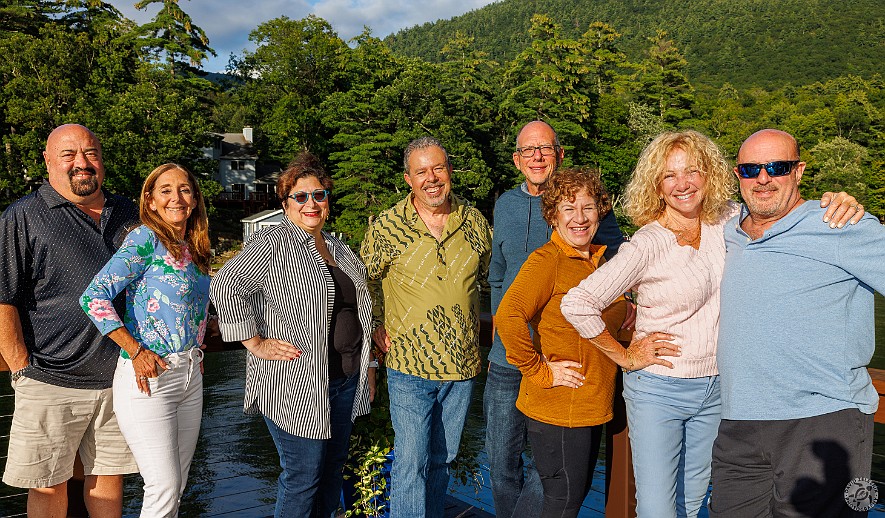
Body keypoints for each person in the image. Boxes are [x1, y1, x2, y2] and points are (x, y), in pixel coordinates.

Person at [561, 130, 864, 518]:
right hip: (659, 389)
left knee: (691, 502)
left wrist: (835, 202)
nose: (682, 184)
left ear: (709, 175)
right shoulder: (648, 243)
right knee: (657, 510)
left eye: (692, 171)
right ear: (657, 185)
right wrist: (624, 356)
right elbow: (579, 303)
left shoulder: (730, 221)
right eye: (669, 175)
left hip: (719, 389)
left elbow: (782, 210)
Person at [710, 129, 885, 517]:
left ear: (799, 171)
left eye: (777, 167)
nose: (763, 178)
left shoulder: (840, 224)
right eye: (750, 168)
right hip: (738, 422)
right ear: (737, 174)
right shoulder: (727, 230)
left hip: (825, 421)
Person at [211, 152, 375, 518]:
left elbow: (360, 311)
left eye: (319, 195)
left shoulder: (339, 249)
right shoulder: (273, 244)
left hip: (345, 381)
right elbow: (225, 285)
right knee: (303, 478)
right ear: (285, 204)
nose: (311, 204)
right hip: (297, 386)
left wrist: (370, 367)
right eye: (300, 197)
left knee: (331, 475)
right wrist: (254, 342)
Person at [485, 120, 626, 518]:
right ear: (517, 160)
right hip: (509, 355)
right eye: (528, 150)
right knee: (502, 463)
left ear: (560, 154)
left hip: (562, 357)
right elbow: (498, 274)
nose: (537, 157)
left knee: (550, 475)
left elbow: (619, 267)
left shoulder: (592, 214)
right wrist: (514, 334)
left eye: (545, 148)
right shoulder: (506, 205)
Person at [0, 124, 139, 517]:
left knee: (109, 482)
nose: (82, 163)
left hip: (120, 380)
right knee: (47, 489)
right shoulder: (22, 216)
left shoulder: (129, 213)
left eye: (91, 153)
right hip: (48, 378)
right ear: (48, 161)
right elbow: (3, 298)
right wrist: (21, 369)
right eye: (69, 155)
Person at [360, 136, 492, 518]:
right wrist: (374, 329)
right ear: (408, 179)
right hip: (407, 364)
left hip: (463, 367)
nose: (432, 178)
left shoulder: (475, 222)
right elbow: (362, 282)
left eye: (438, 168)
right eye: (422, 171)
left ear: (450, 171)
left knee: (443, 459)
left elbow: (484, 281)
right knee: (411, 462)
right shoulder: (387, 226)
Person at [79, 163, 212, 517]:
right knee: (163, 487)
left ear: (195, 199)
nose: (176, 197)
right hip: (151, 378)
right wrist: (135, 350)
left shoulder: (194, 247)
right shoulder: (145, 239)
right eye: (165, 190)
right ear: (150, 201)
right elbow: (93, 297)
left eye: (184, 189)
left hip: (190, 373)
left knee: (176, 486)